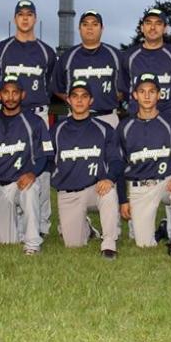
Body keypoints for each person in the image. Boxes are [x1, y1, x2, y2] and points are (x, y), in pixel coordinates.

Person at [0, 0, 58, 236]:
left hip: (37, 114)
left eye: (29, 14)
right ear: (14, 19)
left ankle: (41, 225)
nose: (25, 18)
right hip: (9, 115)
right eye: (20, 14)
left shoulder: (46, 51)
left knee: (40, 170)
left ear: (35, 19)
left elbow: (50, 84)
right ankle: (14, 221)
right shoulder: (1, 50)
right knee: (10, 163)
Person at [117, 73, 171, 257]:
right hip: (141, 187)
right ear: (135, 95)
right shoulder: (125, 126)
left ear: (159, 95)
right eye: (142, 91)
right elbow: (118, 166)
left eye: (152, 91)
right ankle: (162, 229)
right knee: (144, 244)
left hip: (167, 181)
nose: (147, 96)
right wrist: (122, 200)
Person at [0, 75, 53, 255]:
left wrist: (32, 173)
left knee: (30, 189)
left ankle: (33, 244)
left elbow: (46, 155)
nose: (10, 97)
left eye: (15, 93)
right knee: (7, 242)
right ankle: (20, 225)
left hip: (21, 182)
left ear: (23, 95)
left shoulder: (34, 121)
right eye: (6, 92)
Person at [51, 79, 123, 259]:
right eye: (75, 96)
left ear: (91, 101)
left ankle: (108, 244)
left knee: (108, 192)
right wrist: (57, 177)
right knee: (73, 245)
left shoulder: (104, 128)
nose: (79, 101)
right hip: (69, 192)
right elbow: (46, 159)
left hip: (95, 188)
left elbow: (116, 160)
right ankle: (88, 229)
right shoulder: (56, 130)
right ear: (68, 100)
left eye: (84, 96)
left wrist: (109, 178)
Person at [52, 10, 127, 129]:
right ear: (79, 28)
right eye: (85, 24)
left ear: (102, 28)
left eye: (95, 24)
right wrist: (75, 101)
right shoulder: (68, 57)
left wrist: (110, 97)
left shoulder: (115, 55)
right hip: (76, 118)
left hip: (107, 117)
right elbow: (57, 88)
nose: (90, 28)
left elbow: (125, 88)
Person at [123, 8, 171, 118]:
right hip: (137, 118)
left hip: (169, 117)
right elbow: (123, 88)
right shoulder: (129, 56)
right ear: (142, 28)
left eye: (158, 23)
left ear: (165, 28)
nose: (153, 27)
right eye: (148, 23)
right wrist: (134, 107)